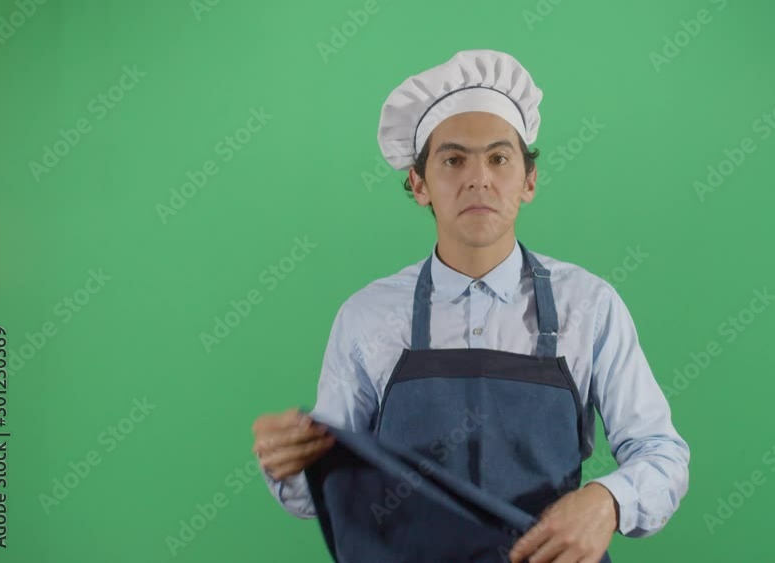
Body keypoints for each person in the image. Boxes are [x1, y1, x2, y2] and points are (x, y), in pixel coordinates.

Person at [251, 49, 690, 562]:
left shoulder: (589, 306)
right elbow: (318, 491)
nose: (478, 178)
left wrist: (607, 500)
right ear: (419, 184)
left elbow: (661, 453)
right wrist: (290, 457)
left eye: (499, 159)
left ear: (529, 180)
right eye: (453, 160)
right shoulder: (366, 317)